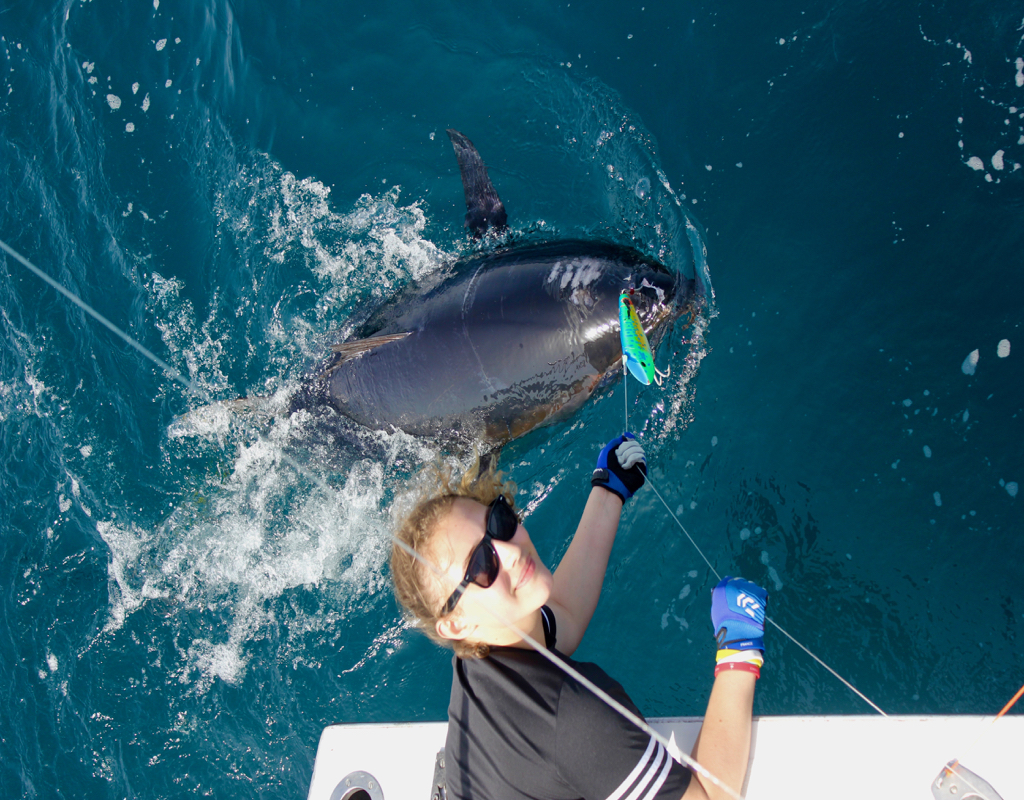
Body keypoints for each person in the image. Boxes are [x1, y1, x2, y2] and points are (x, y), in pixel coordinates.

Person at [391, 433, 767, 800]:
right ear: (455, 624)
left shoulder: (486, 646)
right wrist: (738, 651)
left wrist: (609, 491)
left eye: (499, 523)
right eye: (481, 566)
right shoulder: (573, 719)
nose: (510, 552)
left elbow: (563, 617)